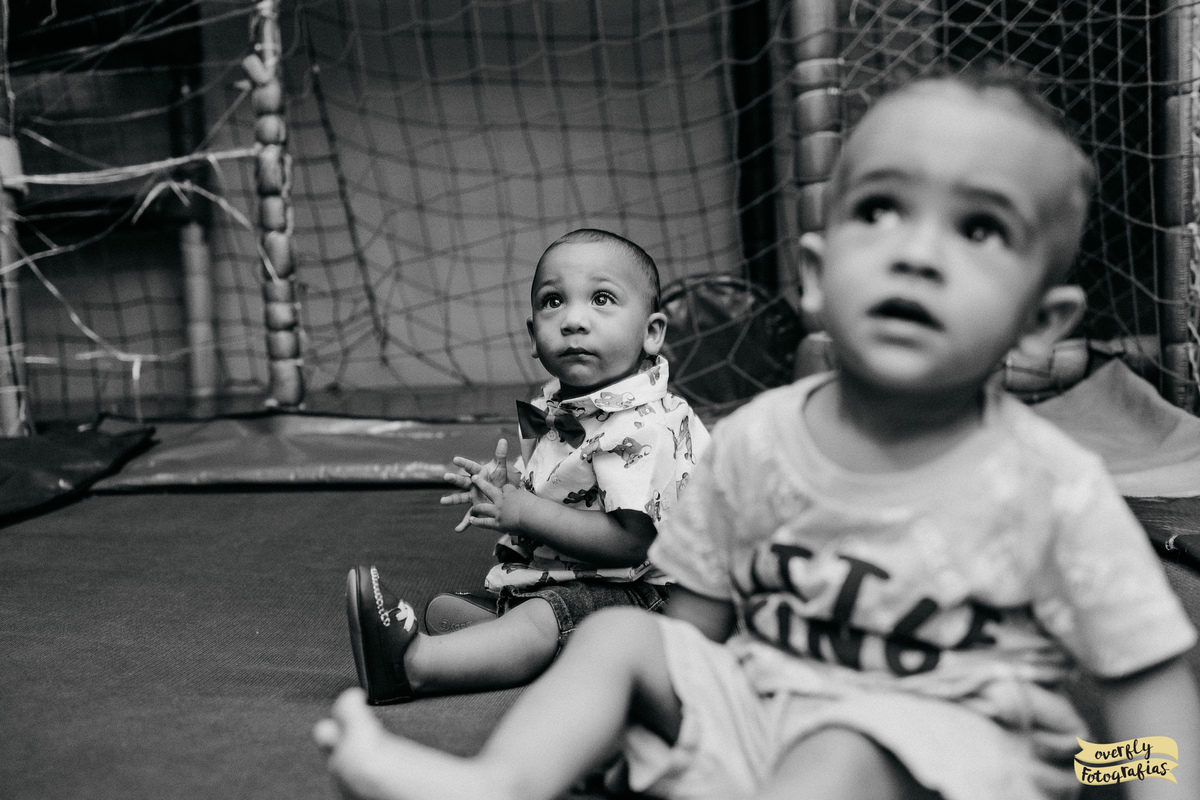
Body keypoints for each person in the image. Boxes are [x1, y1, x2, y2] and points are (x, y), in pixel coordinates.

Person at [315, 68, 1200, 800]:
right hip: (773, 725)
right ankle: (502, 783)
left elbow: (1156, 716)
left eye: (978, 228)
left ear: (1041, 325)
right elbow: (694, 632)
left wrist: (1116, 771)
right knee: (618, 638)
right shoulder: (758, 441)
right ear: (816, 276)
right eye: (882, 211)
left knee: (848, 745)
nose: (917, 252)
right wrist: (647, 716)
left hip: (951, 758)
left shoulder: (1055, 486)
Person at [344, 228, 711, 705]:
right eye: (553, 301)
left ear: (652, 332)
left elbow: (630, 542)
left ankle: (414, 666)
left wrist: (525, 513)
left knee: (545, 617)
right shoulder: (568, 408)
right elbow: (570, 490)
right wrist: (509, 487)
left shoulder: (641, 426)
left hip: (656, 602)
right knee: (544, 608)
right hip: (589, 579)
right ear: (532, 336)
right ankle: (511, 633)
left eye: (602, 298)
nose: (574, 320)